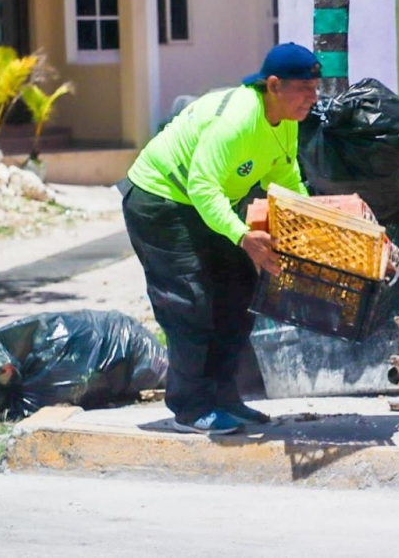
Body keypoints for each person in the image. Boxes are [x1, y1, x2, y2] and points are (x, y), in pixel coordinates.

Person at [122, 43, 320, 435]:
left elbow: (286, 178)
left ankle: (225, 397)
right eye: (304, 88)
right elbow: (201, 186)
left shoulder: (288, 120)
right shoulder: (237, 122)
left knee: (240, 289)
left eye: (316, 87)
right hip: (161, 198)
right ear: (274, 85)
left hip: (208, 202)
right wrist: (242, 235)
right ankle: (190, 407)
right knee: (189, 301)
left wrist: (316, 222)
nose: (312, 98)